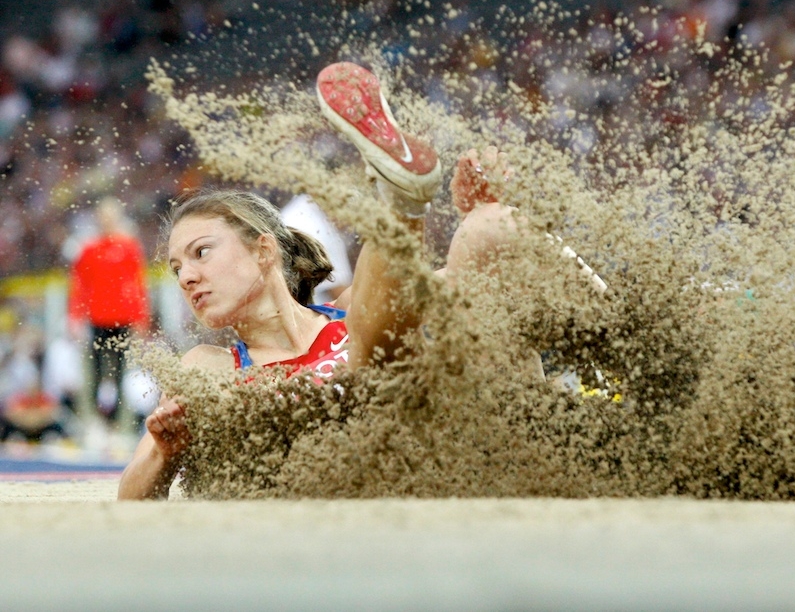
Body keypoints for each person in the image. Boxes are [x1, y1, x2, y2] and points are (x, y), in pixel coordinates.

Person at [118, 61, 523, 499]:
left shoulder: (351, 309)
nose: (187, 278)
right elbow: (131, 497)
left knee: (490, 229)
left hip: (445, 451)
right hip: (355, 486)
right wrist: (163, 450)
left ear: (263, 250)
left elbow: (468, 286)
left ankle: (407, 200)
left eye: (201, 253)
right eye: (178, 270)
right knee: (373, 347)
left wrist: (477, 215)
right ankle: (402, 202)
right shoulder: (207, 368)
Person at [68, 196, 151, 426]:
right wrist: (75, 317)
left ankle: (123, 424)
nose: (107, 221)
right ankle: (93, 423)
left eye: (111, 216)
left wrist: (141, 318)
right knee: (93, 374)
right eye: (103, 216)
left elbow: (138, 285)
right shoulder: (89, 249)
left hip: (123, 320)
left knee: (124, 374)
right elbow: (79, 285)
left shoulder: (129, 247)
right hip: (96, 320)